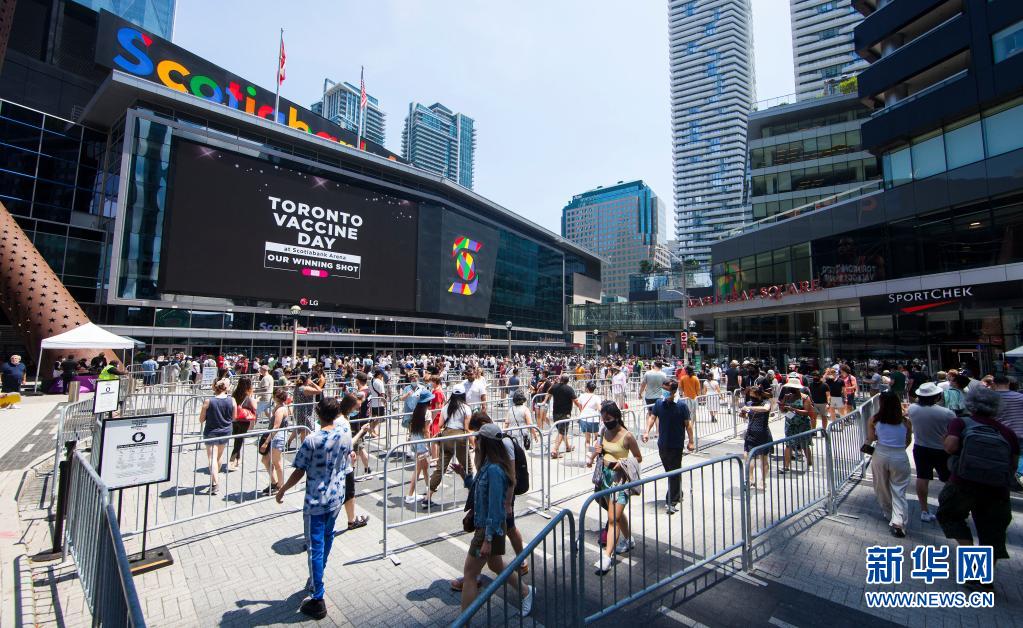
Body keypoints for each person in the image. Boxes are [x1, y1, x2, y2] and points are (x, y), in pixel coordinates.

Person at [276, 396, 354, 620]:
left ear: (319, 415)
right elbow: (348, 455)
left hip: (316, 500)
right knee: (327, 538)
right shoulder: (345, 433)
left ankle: (318, 596)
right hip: (336, 496)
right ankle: (317, 577)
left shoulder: (312, 440)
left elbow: (299, 470)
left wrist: (283, 489)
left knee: (314, 548)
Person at [937, 386, 1019, 591]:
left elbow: (950, 447)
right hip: (997, 489)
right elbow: (1012, 465)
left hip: (962, 483)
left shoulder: (961, 422)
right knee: (993, 531)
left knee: (949, 515)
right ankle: (984, 578)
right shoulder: (1007, 433)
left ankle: (971, 557)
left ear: (971, 404)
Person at [458, 423, 533, 615]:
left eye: (478, 438)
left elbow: (495, 507)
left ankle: (463, 623)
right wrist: (464, 476)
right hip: (488, 527)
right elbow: (478, 490)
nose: (475, 441)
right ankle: (525, 591)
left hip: (488, 529)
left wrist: (488, 539)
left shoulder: (494, 469)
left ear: (486, 442)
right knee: (495, 564)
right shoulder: (487, 465)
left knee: (470, 575)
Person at [587, 401, 642, 574]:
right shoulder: (604, 430)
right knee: (616, 515)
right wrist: (594, 454)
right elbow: (600, 449)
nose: (606, 422)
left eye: (608, 419)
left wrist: (621, 464)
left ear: (617, 417)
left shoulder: (627, 436)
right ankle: (628, 540)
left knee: (612, 519)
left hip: (620, 481)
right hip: (605, 478)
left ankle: (606, 556)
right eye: (603, 419)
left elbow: (638, 457)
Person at [865, 391, 913, 538]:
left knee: (881, 486)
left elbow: (871, 438)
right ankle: (899, 521)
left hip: (880, 453)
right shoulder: (906, 422)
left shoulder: (874, 419)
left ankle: (889, 513)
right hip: (899, 455)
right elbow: (908, 440)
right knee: (899, 489)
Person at [907, 382, 954, 522]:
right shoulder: (947, 413)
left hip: (921, 447)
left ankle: (924, 510)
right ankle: (948, 507)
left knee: (922, 477)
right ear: (936, 396)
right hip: (942, 450)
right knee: (949, 480)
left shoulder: (912, 409)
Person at [643, 379, 690, 514]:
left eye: (666, 389)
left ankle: (671, 501)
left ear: (674, 391)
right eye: (662, 388)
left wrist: (691, 441)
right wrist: (646, 431)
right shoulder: (659, 403)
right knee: (670, 470)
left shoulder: (682, 406)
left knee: (673, 472)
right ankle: (678, 492)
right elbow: (652, 417)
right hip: (662, 443)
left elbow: (688, 425)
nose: (663, 391)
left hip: (676, 444)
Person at [423, 384, 473, 509]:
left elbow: (440, 424)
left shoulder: (446, 406)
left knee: (440, 469)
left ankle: (427, 498)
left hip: (446, 437)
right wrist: (474, 443)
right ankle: (472, 495)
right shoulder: (466, 408)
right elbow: (467, 428)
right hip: (460, 438)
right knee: (468, 468)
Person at [198, 380, 236, 495]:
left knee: (212, 458)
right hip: (226, 431)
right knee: (218, 456)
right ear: (226, 388)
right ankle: (215, 479)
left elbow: (201, 419)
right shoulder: (232, 400)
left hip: (211, 431)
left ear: (215, 388)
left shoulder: (208, 401)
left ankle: (215, 483)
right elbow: (234, 417)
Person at [404, 389, 435, 504]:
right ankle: (410, 495)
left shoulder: (416, 410)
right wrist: (429, 446)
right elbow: (426, 431)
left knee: (424, 467)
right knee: (418, 469)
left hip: (415, 440)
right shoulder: (427, 412)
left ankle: (428, 487)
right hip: (422, 442)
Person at [991, 374, 1023, 486]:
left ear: (993, 384)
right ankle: (1019, 479)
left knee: (1002, 458)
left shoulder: (990, 398)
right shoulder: (1020, 397)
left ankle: (1005, 479)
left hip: (1000, 434)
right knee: (1020, 457)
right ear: (1008, 383)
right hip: (1020, 433)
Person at [741, 383, 774, 490]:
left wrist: (749, 407)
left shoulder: (765, 403)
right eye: (750, 395)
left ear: (759, 395)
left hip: (763, 433)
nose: (751, 398)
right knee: (748, 456)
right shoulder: (749, 403)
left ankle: (763, 481)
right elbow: (746, 415)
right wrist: (743, 413)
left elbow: (765, 409)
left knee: (763, 459)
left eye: (753, 395)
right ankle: (751, 479)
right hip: (751, 433)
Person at [778, 380, 815, 473]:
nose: (791, 389)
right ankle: (786, 466)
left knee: (805, 445)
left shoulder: (805, 397)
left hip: (802, 424)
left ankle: (809, 464)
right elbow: (782, 410)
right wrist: (782, 403)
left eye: (793, 388)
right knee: (788, 445)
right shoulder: (788, 396)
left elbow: (807, 412)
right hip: (790, 424)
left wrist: (793, 409)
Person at [261, 387, 291, 495]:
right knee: (265, 459)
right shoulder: (279, 407)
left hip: (277, 437)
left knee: (276, 462)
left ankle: (280, 486)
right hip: (274, 436)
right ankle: (274, 482)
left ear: (275, 397)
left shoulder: (280, 409)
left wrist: (266, 442)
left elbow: (276, 426)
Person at [546, 374, 579, 459]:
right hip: (565, 413)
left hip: (555, 413)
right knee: (561, 432)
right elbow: (575, 400)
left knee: (562, 431)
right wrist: (581, 408)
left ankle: (568, 447)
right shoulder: (569, 389)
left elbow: (548, 392)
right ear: (568, 381)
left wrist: (544, 401)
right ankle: (555, 450)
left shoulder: (554, 387)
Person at [229, 377, 258, 469]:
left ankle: (238, 459)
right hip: (244, 420)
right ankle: (232, 461)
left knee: (237, 440)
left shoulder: (235, 393)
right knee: (239, 441)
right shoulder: (248, 396)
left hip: (235, 419)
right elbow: (254, 407)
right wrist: (256, 400)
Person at [576, 381, 603, 447]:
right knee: (597, 437)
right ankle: (594, 450)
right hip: (594, 419)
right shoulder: (596, 397)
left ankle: (587, 451)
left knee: (587, 440)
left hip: (584, 418)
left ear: (587, 388)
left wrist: (583, 411)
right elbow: (599, 408)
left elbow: (579, 406)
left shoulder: (582, 396)